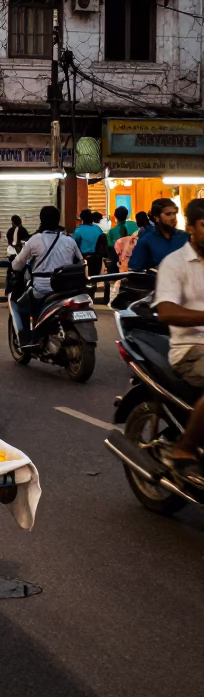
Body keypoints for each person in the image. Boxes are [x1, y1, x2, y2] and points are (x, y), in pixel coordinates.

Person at [153, 198, 204, 488]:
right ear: (191, 227)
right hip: (190, 349)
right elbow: (167, 311)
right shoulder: (174, 263)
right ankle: (183, 449)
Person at [11, 205, 84, 329]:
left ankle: (33, 334)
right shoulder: (69, 240)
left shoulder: (34, 240)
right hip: (66, 289)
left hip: (42, 289)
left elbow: (17, 265)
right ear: (58, 220)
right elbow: (81, 262)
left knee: (24, 307)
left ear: (41, 219)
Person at [128, 198, 188, 272]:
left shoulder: (185, 237)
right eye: (168, 214)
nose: (173, 217)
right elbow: (135, 271)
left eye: (174, 214)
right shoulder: (146, 241)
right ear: (157, 218)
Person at [72, 209, 104, 276]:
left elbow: (74, 244)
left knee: (85, 280)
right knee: (95, 279)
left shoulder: (78, 230)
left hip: (84, 258)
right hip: (97, 258)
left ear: (82, 218)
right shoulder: (98, 229)